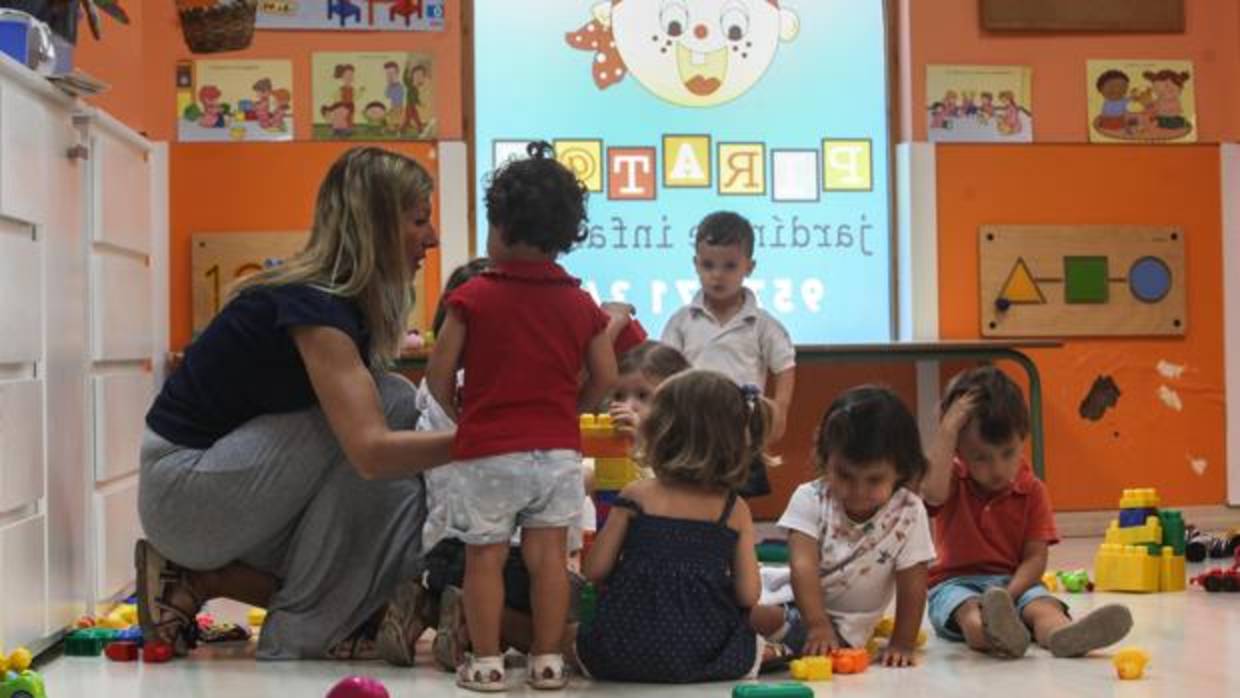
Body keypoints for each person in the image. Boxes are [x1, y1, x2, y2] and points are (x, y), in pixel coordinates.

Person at [136, 147, 453, 663]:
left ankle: (222, 586)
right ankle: (308, 626)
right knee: (392, 404)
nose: (432, 238)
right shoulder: (314, 306)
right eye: (419, 220)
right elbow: (371, 452)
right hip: (185, 495)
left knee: (401, 500)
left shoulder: (337, 305)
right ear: (375, 225)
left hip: (233, 492)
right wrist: (485, 439)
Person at [427, 141, 618, 691]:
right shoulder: (580, 302)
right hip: (556, 453)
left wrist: (465, 417)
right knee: (549, 559)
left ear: (500, 228)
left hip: (489, 451)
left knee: (483, 559)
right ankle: (548, 662)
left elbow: (440, 375)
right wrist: (569, 414)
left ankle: (486, 663)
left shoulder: (473, 297)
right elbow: (604, 377)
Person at [922, 366, 1133, 659]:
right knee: (970, 614)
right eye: (981, 458)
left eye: (1008, 453)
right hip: (955, 584)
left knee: (1044, 608)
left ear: (1023, 438)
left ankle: (1062, 635)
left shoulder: (1032, 490)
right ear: (958, 451)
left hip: (1015, 582)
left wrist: (1008, 596)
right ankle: (997, 636)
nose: (996, 469)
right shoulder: (952, 481)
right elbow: (931, 494)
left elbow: (1035, 558)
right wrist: (948, 429)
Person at [575, 370, 769, 683]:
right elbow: (748, 595)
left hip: (622, 652)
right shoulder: (735, 510)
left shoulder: (636, 495)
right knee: (759, 640)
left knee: (568, 634)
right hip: (708, 653)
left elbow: (595, 570)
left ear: (659, 434)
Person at [751, 386, 935, 668]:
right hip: (795, 604)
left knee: (764, 622)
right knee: (742, 606)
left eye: (874, 480)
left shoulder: (909, 511)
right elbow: (803, 566)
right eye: (844, 475)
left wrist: (902, 642)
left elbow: (913, 584)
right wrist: (816, 624)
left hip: (844, 631)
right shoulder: (809, 497)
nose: (858, 491)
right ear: (826, 459)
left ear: (901, 470)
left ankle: (756, 643)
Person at [661, 211, 795, 498]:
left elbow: (784, 365)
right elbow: (664, 370)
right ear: (696, 264)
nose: (717, 275)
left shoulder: (761, 324)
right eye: (708, 265)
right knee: (691, 496)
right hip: (692, 429)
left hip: (741, 430)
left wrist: (779, 411)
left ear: (749, 267)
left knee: (736, 503)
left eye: (729, 266)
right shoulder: (682, 321)